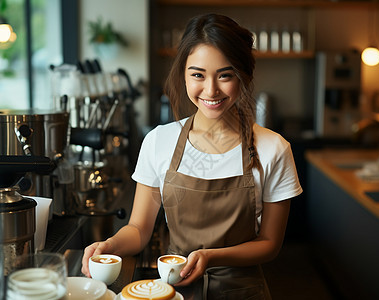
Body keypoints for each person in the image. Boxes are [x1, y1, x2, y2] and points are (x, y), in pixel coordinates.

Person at [82, 13, 302, 299]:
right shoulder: (159, 142)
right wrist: (110, 245)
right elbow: (138, 229)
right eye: (198, 74)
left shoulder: (274, 148)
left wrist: (211, 257)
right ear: (183, 74)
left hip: (243, 292)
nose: (211, 90)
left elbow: (270, 243)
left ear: (243, 75)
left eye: (225, 75)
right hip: (174, 292)